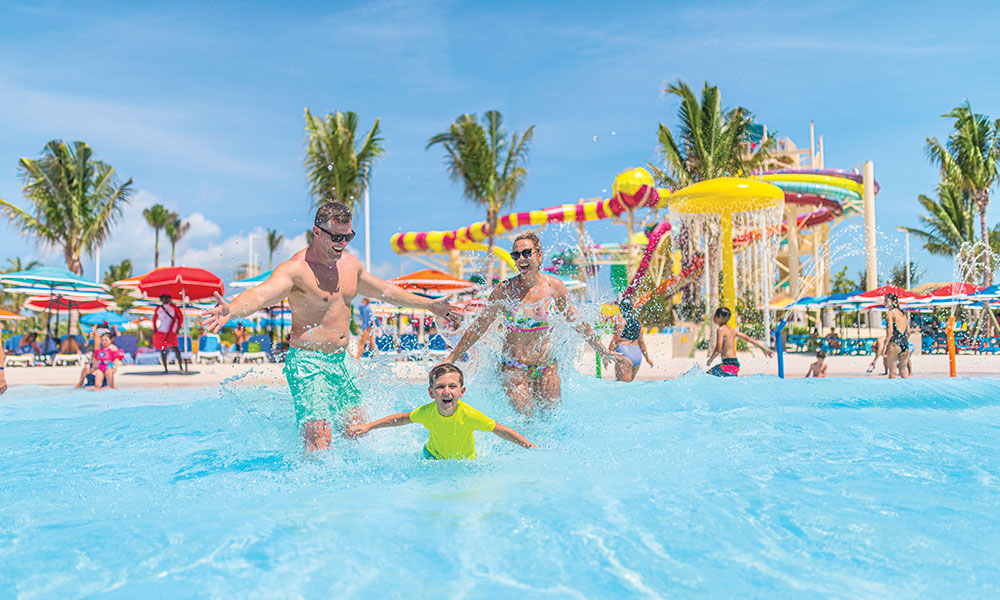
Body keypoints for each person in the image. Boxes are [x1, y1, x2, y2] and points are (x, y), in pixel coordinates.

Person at [202, 202, 460, 452]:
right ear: (317, 232)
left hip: (341, 361)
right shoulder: (296, 270)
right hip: (308, 362)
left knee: (358, 432)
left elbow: (384, 290)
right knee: (319, 442)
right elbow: (261, 295)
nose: (343, 244)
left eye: (348, 237)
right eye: (336, 237)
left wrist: (429, 305)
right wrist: (232, 309)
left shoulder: (350, 265)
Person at [444, 232, 618, 415]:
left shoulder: (555, 287)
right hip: (515, 368)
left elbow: (576, 321)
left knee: (552, 419)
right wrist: (452, 358)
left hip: (547, 367)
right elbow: (478, 327)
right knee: (527, 420)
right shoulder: (504, 290)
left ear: (539, 255)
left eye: (527, 253)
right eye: (516, 255)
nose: (521, 259)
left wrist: (601, 350)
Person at [348, 363, 535, 459]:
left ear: (461, 392)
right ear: (431, 393)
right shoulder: (427, 412)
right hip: (432, 457)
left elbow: (500, 430)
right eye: (440, 387)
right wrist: (369, 426)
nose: (447, 391)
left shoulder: (470, 415)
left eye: (452, 386)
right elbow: (402, 418)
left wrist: (529, 446)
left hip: (463, 461)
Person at [706, 307, 774, 377]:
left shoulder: (720, 330)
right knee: (712, 374)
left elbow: (718, 348)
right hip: (734, 364)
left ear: (717, 317)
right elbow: (748, 339)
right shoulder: (732, 331)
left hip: (727, 365)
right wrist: (763, 348)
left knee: (709, 375)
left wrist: (710, 360)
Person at [608, 297, 652, 382]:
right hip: (637, 355)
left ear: (621, 309)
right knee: (630, 386)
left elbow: (615, 340)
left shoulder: (621, 321)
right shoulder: (638, 322)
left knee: (622, 387)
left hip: (625, 353)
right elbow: (641, 342)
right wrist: (647, 358)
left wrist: (608, 354)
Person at [880, 293, 910, 379]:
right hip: (905, 344)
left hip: (895, 344)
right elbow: (909, 332)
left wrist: (885, 346)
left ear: (894, 302)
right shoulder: (903, 314)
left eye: (886, 300)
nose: (884, 303)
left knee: (892, 372)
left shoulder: (890, 313)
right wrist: (905, 341)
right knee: (903, 371)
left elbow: (890, 331)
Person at [153, 294, 185, 374]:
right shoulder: (158, 308)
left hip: (171, 331)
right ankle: (165, 369)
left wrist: (178, 327)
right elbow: (154, 319)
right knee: (163, 350)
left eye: (167, 297)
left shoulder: (174, 307)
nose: (165, 299)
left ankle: (181, 367)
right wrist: (155, 329)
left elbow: (180, 317)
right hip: (161, 331)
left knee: (175, 348)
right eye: (163, 297)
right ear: (161, 299)